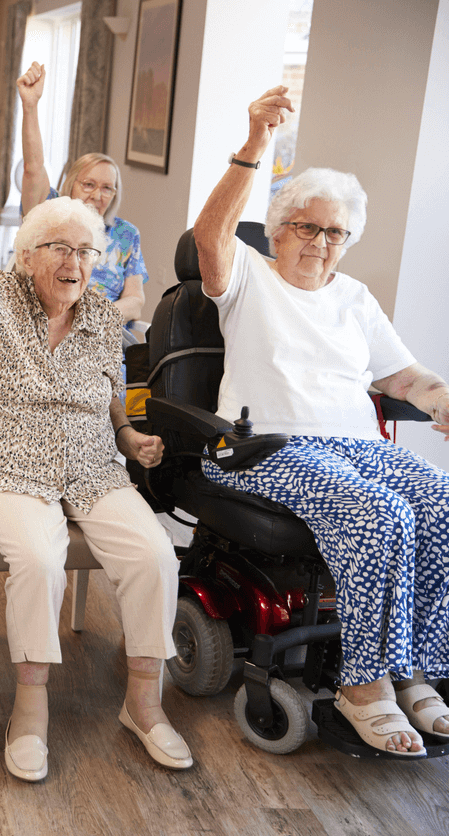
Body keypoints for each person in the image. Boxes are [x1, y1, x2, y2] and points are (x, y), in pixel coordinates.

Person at [193, 86, 449, 758]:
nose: (320, 241)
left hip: (353, 443)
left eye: (335, 231)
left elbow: (403, 378)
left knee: (442, 502)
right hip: (264, 445)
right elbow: (208, 238)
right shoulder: (248, 279)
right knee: (380, 514)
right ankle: (363, 688)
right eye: (306, 226)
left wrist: (442, 399)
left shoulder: (355, 299)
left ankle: (416, 668)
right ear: (276, 229)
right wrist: (254, 143)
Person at [0, 178, 189, 780]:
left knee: (156, 555)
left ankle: (144, 703)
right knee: (38, 557)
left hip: (91, 464)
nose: (74, 263)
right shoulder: (1, 295)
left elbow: (111, 397)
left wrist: (129, 437)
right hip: (9, 461)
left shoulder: (106, 318)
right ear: (28, 254)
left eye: (86, 252)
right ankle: (30, 711)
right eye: (60, 247)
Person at [19, 63, 147, 344]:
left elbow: (135, 299)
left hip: (100, 334)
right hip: (45, 330)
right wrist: (30, 107)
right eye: (88, 184)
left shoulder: (126, 235)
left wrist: (98, 316)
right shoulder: (49, 213)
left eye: (107, 188)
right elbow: (33, 167)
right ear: (72, 183)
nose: (97, 195)